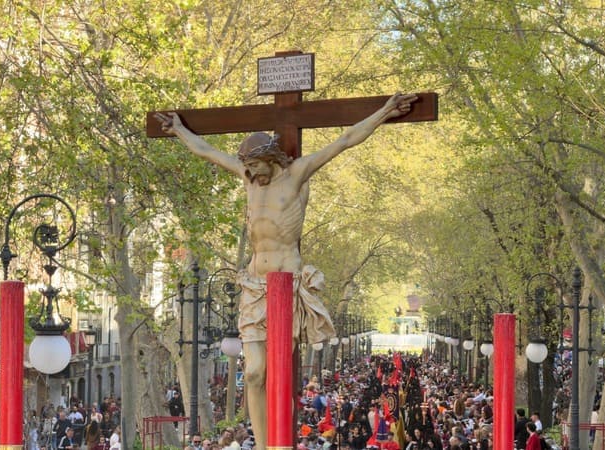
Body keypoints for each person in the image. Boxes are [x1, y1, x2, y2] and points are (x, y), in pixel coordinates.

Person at [156, 92, 419, 450]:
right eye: (246, 168)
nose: (250, 174)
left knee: (280, 372)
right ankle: (265, 445)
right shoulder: (249, 178)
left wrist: (384, 112)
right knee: (253, 372)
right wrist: (179, 131)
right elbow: (206, 151)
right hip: (253, 285)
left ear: (270, 159)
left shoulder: (295, 174)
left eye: (255, 167)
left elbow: (344, 140)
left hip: (287, 286)